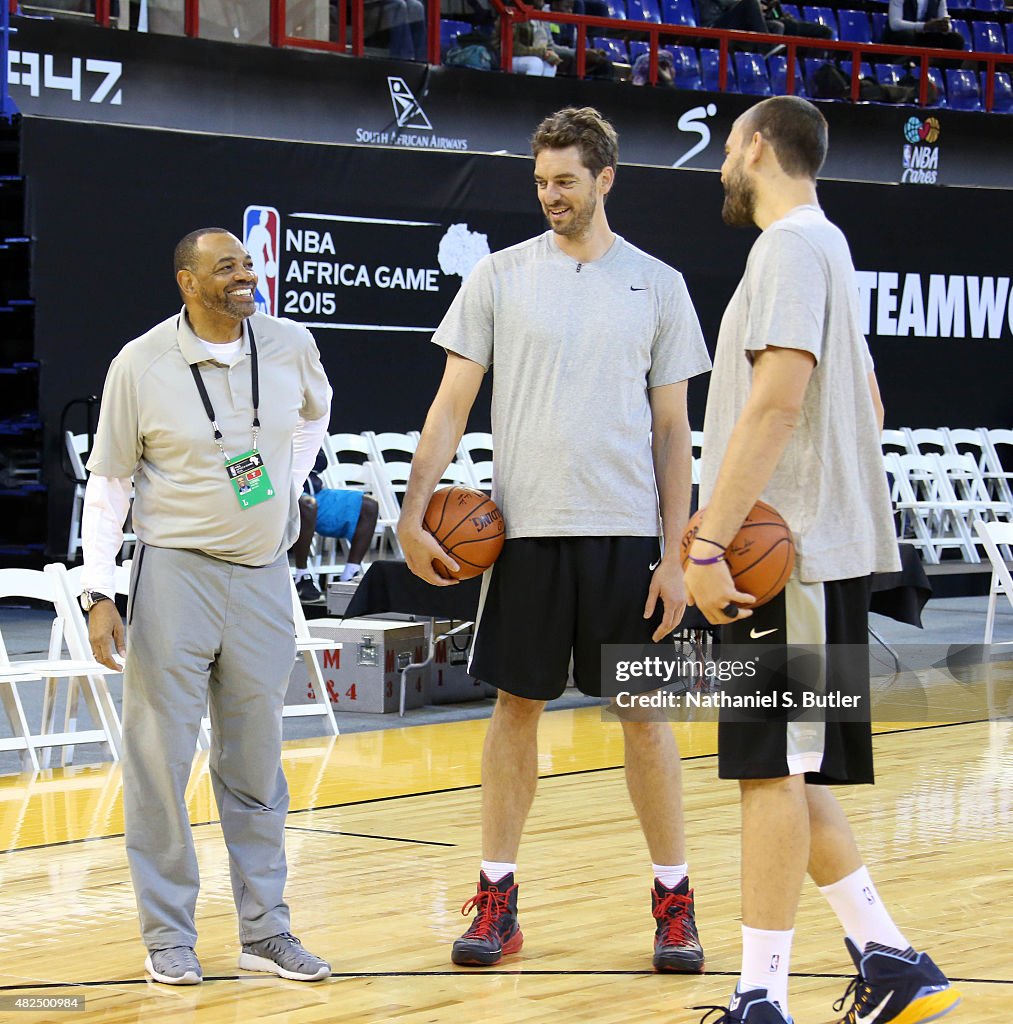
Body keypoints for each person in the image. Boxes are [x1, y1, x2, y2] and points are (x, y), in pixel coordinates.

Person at [398, 107, 712, 972]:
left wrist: (676, 555)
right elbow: (449, 406)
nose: (550, 196)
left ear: (605, 178)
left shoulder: (660, 284)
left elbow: (671, 432)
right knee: (514, 711)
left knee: (645, 722)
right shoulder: (498, 277)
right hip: (526, 537)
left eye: (565, 181)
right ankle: (497, 898)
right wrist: (412, 510)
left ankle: (673, 902)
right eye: (540, 182)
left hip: (624, 541)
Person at [685, 96, 960, 1024]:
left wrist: (712, 536)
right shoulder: (830, 247)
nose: (722, 165)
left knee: (769, 773)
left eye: (728, 148)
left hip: (783, 560)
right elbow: (870, 405)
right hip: (815, 556)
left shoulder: (788, 249)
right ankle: (888, 957)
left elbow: (775, 403)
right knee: (790, 770)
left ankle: (759, 1000)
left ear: (758, 147)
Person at [82, 228, 333, 987]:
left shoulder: (289, 343)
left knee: (257, 764)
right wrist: (100, 591)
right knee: (160, 765)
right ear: (188, 283)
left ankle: (266, 930)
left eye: (247, 264)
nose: (244, 276)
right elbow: (111, 483)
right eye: (225, 267)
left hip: (261, 576)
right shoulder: (142, 362)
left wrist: (284, 484)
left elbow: (314, 415)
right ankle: (168, 937)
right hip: (175, 576)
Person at [291, 449, 381, 601]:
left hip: (315, 493)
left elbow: (321, 463)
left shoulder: (304, 428)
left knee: (368, 505)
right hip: (281, 493)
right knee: (307, 505)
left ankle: (350, 574)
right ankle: (301, 576)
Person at [882, 0, 965, 52]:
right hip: (899, 37)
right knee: (908, 35)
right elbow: (894, 24)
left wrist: (945, 27)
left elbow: (945, 19)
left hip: (924, 36)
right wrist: (924, 26)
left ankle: (945, 74)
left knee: (956, 39)